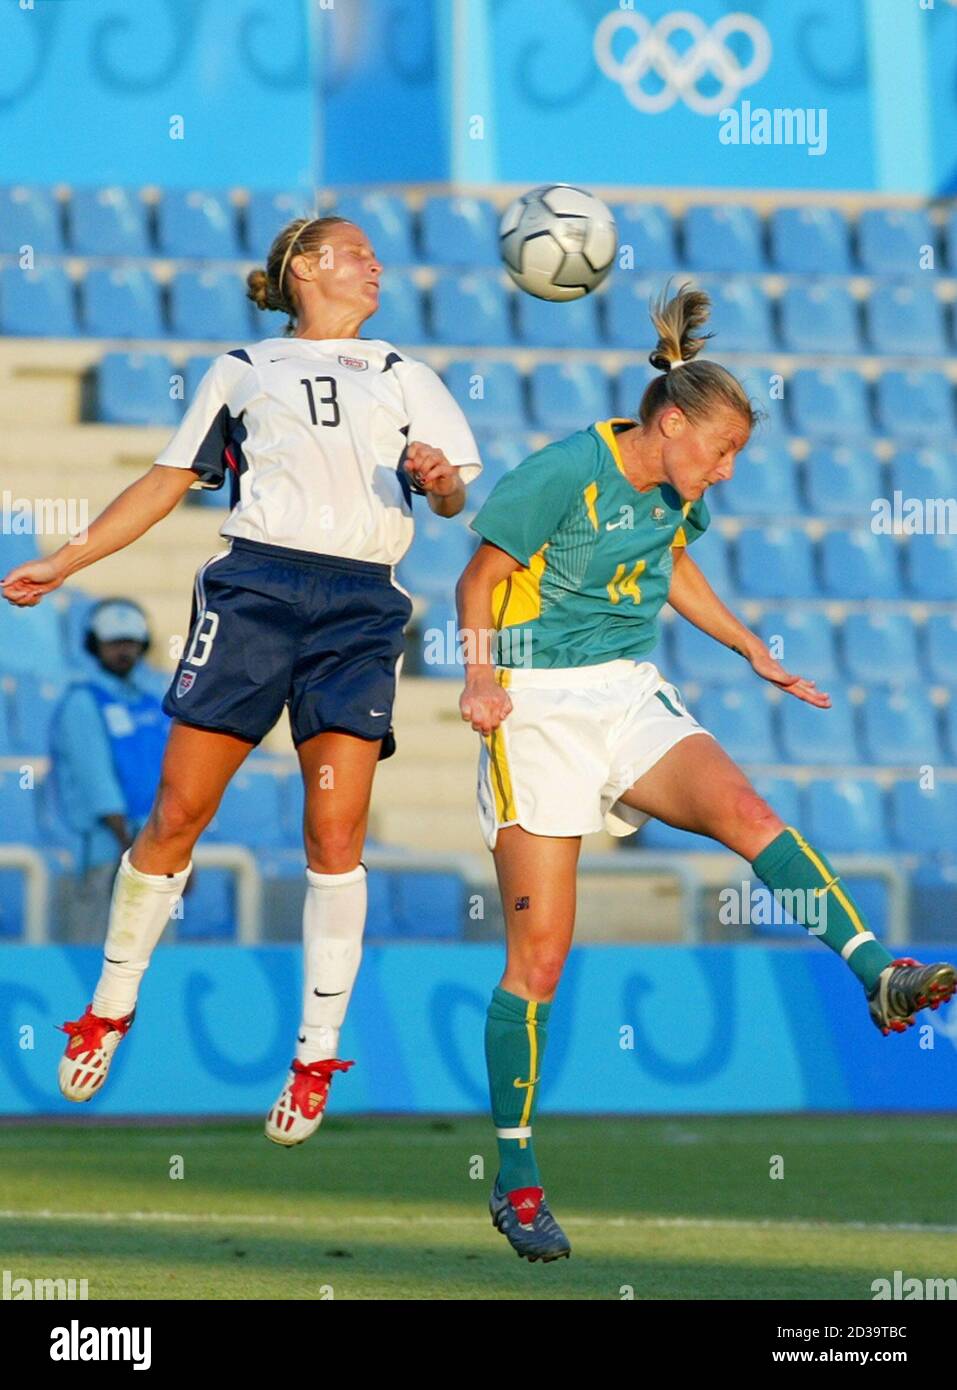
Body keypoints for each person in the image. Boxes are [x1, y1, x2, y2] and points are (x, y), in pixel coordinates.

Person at [455, 283, 956, 1263]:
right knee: (541, 957)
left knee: (748, 809)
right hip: (537, 706)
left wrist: (749, 651)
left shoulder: (672, 497)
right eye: (721, 451)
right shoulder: (567, 471)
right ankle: (516, 1182)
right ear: (671, 423)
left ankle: (878, 975)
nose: (725, 473)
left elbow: (675, 567)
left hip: (627, 693)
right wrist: (479, 678)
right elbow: (477, 576)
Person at [1, 213, 481, 1141]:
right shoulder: (243, 369)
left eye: (378, 253)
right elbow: (164, 479)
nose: (376, 262)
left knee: (333, 832)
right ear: (304, 266)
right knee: (178, 813)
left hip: (360, 608)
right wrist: (66, 560)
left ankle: (313, 1057)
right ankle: (108, 1006)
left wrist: (437, 476)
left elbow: (458, 491)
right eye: (355, 250)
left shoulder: (404, 375)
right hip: (256, 591)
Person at [50, 598, 168, 941]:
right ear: (94, 645)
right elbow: (97, 785)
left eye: (130, 642)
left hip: (153, 857)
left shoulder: (151, 702)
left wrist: (172, 852)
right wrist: (135, 849)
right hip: (105, 856)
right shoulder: (82, 702)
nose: (124, 651)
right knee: (92, 964)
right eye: (114, 643)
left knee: (153, 965)